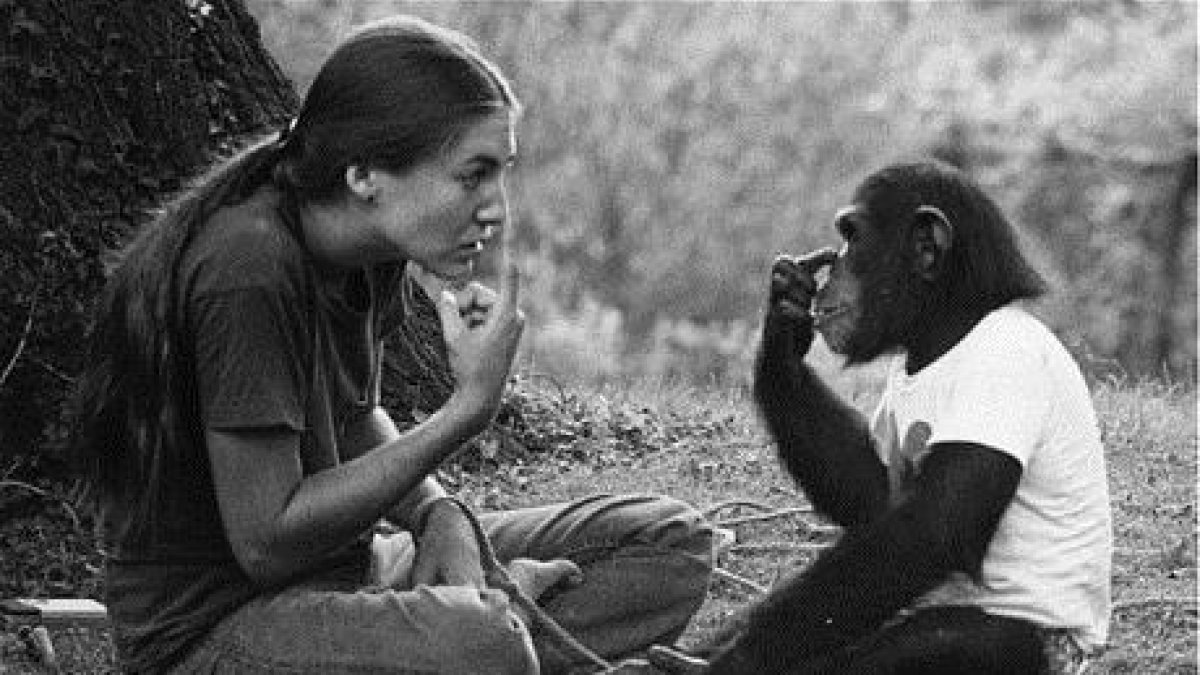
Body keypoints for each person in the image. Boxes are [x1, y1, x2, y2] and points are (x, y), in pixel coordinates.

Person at [72, 16, 714, 674]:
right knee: (485, 644)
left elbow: (356, 418)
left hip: (355, 569)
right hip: (219, 628)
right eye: (472, 176)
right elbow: (266, 543)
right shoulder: (248, 272)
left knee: (669, 543)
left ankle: (479, 627)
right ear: (364, 175)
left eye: (500, 174)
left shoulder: (371, 250)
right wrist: (464, 413)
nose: (496, 208)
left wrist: (438, 513)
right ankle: (498, 626)